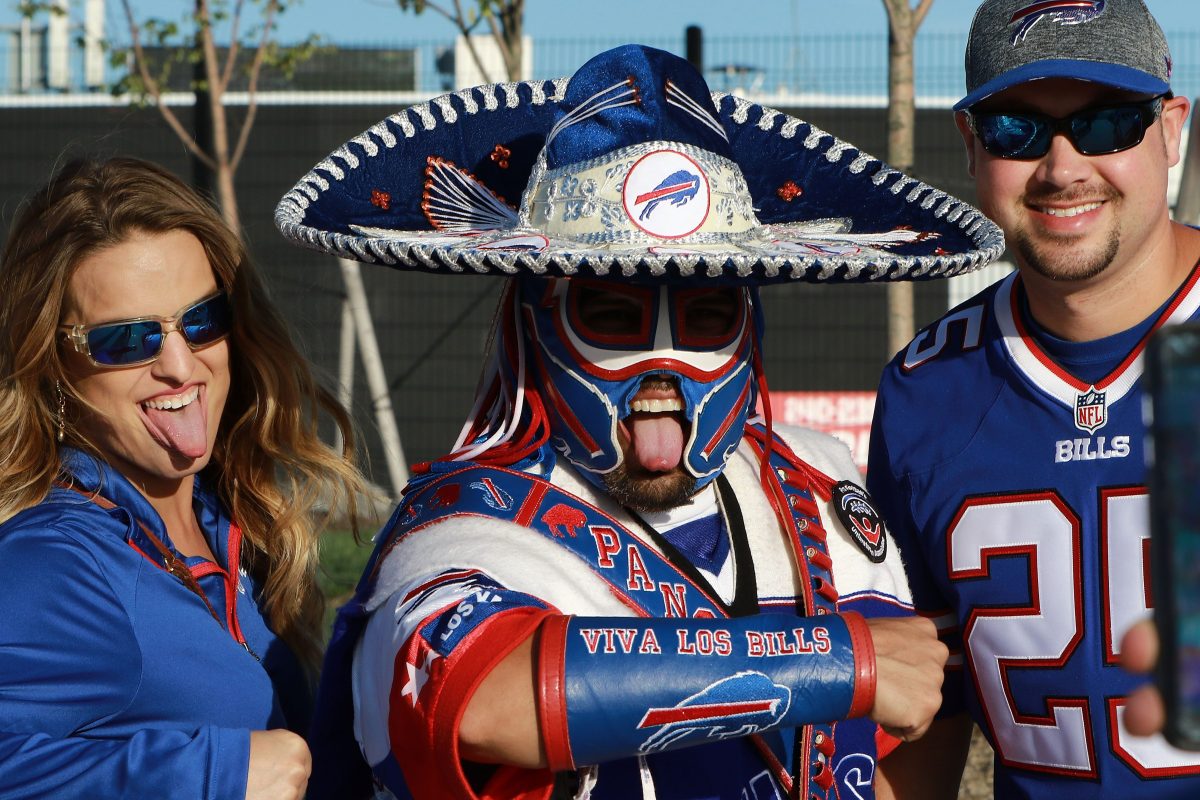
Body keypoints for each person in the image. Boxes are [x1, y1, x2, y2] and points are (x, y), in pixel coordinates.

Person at [277, 45, 1004, 800]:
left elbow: (904, 735)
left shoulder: (820, 485)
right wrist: (838, 664)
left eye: (707, 311)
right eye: (614, 313)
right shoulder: (463, 531)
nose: (664, 366)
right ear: (538, 324)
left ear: (749, 325)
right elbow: (485, 701)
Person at [868, 1, 1200, 797]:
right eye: (1016, 128)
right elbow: (925, 717)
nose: (1062, 167)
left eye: (1107, 123)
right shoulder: (925, 392)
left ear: (1171, 128)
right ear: (971, 144)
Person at [0, 156, 366, 799]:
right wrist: (210, 776)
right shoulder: (56, 561)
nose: (179, 364)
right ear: (53, 364)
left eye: (202, 320)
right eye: (127, 340)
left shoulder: (233, 522)